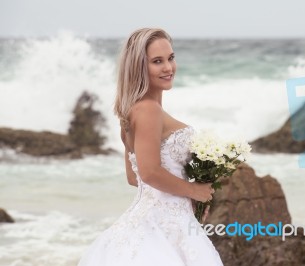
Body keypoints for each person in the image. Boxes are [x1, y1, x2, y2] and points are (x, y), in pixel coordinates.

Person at [77, 28, 224, 265]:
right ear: (138, 67)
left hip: (158, 221)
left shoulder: (132, 109)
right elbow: (148, 172)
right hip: (162, 227)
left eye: (171, 58)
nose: (168, 67)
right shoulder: (148, 110)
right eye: (157, 61)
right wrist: (195, 191)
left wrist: (190, 195)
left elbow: (133, 177)